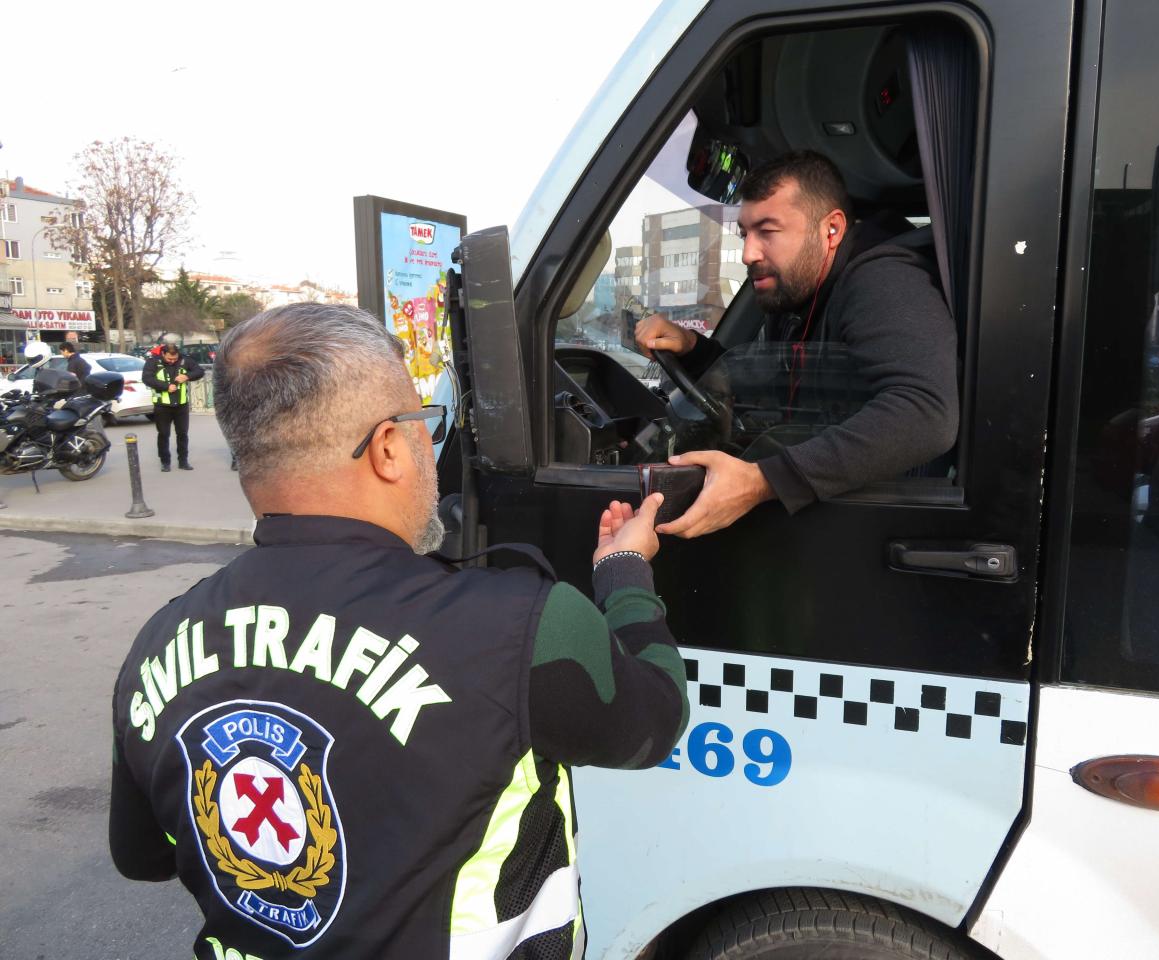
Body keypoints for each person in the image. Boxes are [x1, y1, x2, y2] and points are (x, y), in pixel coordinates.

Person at [109, 303, 687, 960]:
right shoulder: (523, 626)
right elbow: (651, 723)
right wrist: (623, 567)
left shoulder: (157, 642)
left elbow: (142, 857)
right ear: (388, 448)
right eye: (423, 426)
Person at [635, 150, 959, 538]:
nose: (748, 253)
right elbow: (769, 383)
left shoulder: (883, 280)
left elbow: (924, 414)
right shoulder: (795, 295)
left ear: (832, 230)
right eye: (744, 233)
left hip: (884, 531)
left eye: (768, 232)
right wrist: (691, 348)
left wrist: (760, 482)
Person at [141, 339, 205, 471]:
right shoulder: (153, 362)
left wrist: (187, 376)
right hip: (162, 405)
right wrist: (165, 386)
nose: (172, 361)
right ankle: (165, 462)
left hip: (181, 405)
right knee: (163, 434)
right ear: (163, 354)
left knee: (182, 434)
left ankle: (183, 461)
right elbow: (147, 378)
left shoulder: (184, 360)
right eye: (170, 359)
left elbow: (200, 371)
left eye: (174, 358)